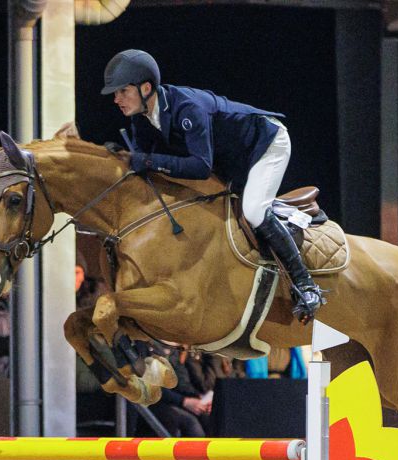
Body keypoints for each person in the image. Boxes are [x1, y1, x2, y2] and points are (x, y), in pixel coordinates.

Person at [102, 49, 323, 323]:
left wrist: (144, 159)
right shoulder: (141, 118)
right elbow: (148, 169)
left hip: (266, 144)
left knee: (253, 212)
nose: (116, 99)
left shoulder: (188, 109)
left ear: (145, 88)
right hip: (231, 160)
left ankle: (306, 285)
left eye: (122, 91)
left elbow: (199, 166)